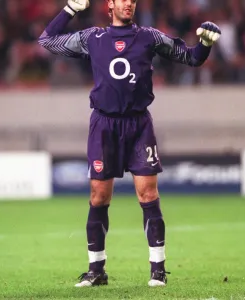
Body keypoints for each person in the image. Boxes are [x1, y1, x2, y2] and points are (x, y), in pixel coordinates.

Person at [38, 0, 221, 287]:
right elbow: (47, 40)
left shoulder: (149, 36)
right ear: (110, 4)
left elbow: (192, 58)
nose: (129, 4)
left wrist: (205, 44)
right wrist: (70, 10)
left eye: (133, 0)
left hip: (138, 125)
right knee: (99, 196)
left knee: (148, 194)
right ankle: (96, 271)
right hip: (103, 125)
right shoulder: (93, 38)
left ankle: (158, 270)